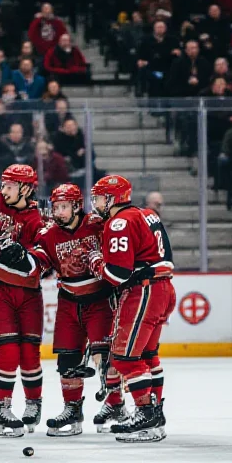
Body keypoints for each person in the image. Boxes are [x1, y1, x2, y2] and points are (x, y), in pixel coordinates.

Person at [87, 175, 176, 442]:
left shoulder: (119, 222)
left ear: (113, 199)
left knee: (125, 358)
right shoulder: (147, 214)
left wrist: (95, 262)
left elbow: (117, 273)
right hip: (163, 287)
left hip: (143, 291)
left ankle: (145, 415)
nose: (96, 203)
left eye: (100, 197)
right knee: (148, 355)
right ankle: (155, 414)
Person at [29, 184, 121, 436]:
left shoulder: (96, 224)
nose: (58, 212)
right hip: (68, 301)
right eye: (56, 207)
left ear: (77, 206)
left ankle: (116, 405)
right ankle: (73, 409)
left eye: (64, 206)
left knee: (104, 358)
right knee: (67, 360)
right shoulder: (49, 234)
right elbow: (40, 261)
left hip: (99, 299)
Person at [0, 165, 45, 437]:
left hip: (28, 292)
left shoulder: (37, 220)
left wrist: (25, 256)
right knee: (8, 352)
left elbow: (42, 262)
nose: (3, 190)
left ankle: (33, 402)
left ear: (25, 189)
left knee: (29, 354)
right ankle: (2, 407)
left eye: (10, 186)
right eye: (3, 185)